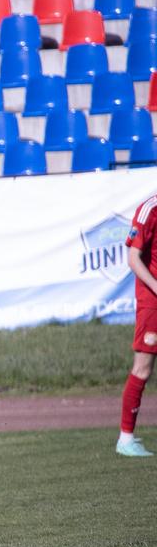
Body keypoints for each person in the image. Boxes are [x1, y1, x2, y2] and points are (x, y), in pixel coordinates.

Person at [117, 192, 157, 457]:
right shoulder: (150, 209)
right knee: (142, 369)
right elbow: (133, 257)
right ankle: (125, 438)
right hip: (152, 303)